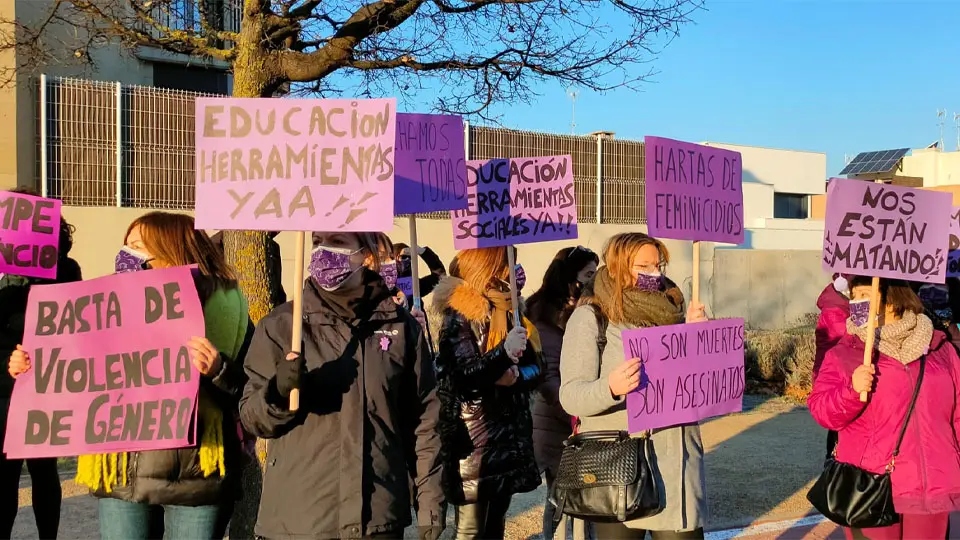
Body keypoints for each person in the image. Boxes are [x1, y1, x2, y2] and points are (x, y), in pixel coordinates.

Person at [9, 212, 252, 539]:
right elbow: (75, 368)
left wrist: (218, 370)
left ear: (171, 251)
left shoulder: (228, 305)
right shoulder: (104, 304)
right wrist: (30, 367)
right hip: (121, 470)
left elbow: (252, 390)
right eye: (126, 244)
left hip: (196, 472)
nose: (126, 253)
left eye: (137, 246)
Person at [239, 232, 445, 540]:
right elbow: (252, 417)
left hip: (378, 519)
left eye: (336, 240)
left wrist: (430, 505)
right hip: (300, 521)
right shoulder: (281, 325)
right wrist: (277, 392)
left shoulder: (402, 329)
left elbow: (424, 423)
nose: (323, 250)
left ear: (368, 253)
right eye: (318, 240)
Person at [559, 232, 708, 540]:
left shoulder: (676, 313)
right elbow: (570, 396)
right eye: (644, 266)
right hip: (620, 468)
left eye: (658, 266)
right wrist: (610, 387)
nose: (654, 274)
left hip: (677, 468)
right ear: (616, 267)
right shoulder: (591, 318)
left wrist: (699, 338)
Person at [808, 276, 960, 540]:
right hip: (871, 488)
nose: (857, 304)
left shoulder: (940, 349)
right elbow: (822, 410)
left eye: (866, 295)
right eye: (854, 297)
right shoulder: (846, 352)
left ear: (894, 297)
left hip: (932, 488)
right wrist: (852, 391)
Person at [432, 246, 543, 539]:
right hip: (475, 439)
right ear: (487, 270)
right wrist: (502, 357)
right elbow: (464, 375)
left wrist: (516, 378)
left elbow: (537, 368)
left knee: (495, 525)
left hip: (508, 437)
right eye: (507, 265)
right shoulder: (460, 315)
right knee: (470, 530)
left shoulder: (513, 310)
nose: (513, 272)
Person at [0, 188, 82, 540]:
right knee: (4, 476)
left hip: (46, 386)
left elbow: (74, 325)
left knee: (44, 472)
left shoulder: (65, 269)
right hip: (3, 390)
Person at [526, 245, 599, 538]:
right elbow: (547, 377)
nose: (594, 281)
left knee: (589, 499)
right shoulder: (544, 317)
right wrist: (576, 410)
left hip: (582, 419)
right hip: (560, 424)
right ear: (571, 277)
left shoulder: (589, 310)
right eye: (589, 274)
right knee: (559, 499)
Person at [814, 273, 851, 457]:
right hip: (838, 383)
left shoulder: (839, 306)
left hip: (838, 382)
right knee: (840, 432)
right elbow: (848, 346)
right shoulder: (835, 312)